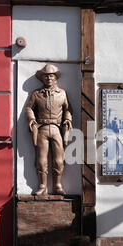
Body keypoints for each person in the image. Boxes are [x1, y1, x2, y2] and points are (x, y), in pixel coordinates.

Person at [25, 64, 73, 195]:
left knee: (59, 159)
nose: (49, 78)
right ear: (42, 78)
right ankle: (42, 185)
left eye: (51, 75)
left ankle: (57, 185)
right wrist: (31, 119)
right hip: (42, 129)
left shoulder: (62, 93)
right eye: (46, 76)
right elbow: (29, 108)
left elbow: (68, 109)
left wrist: (68, 119)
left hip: (57, 129)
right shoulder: (36, 94)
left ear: (55, 77)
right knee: (41, 160)